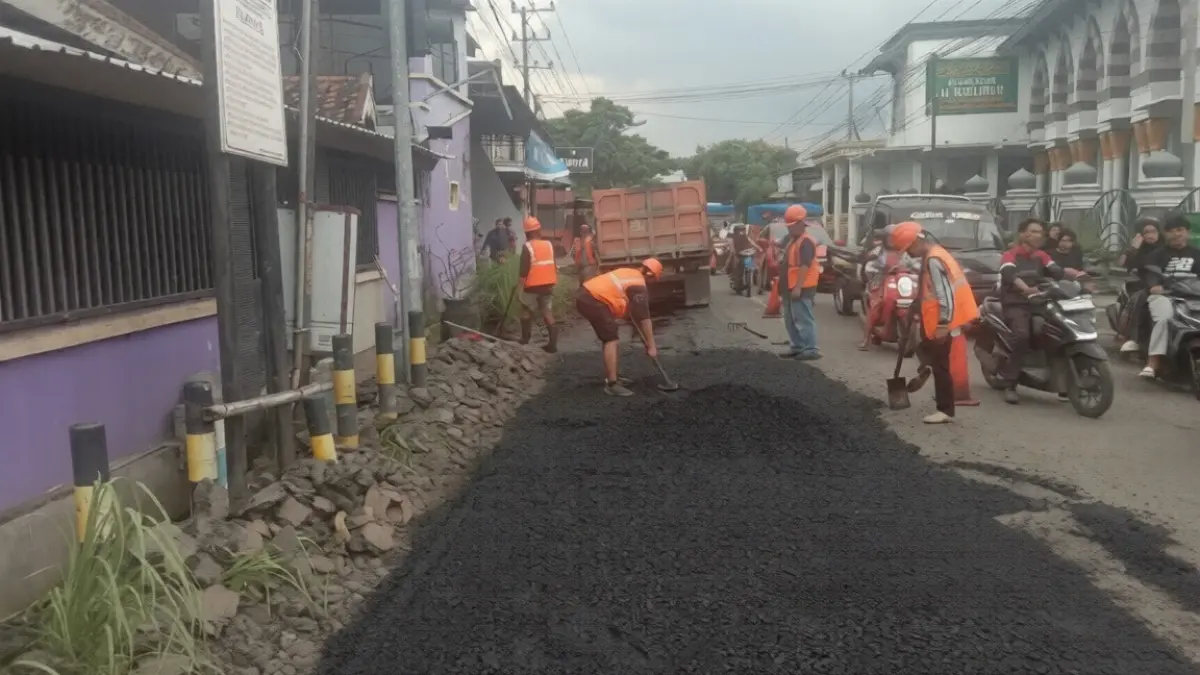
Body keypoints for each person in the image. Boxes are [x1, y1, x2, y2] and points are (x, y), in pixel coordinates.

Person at [889, 221, 979, 424]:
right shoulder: (935, 254)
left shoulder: (933, 260)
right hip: (939, 319)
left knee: (942, 366)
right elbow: (930, 289)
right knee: (925, 348)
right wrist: (916, 304)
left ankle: (945, 410)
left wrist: (943, 324)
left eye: (909, 248)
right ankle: (926, 367)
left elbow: (944, 293)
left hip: (944, 320)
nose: (909, 254)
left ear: (918, 241)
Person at [997, 218, 1066, 404]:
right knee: (1021, 336)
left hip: (1039, 301)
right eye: (1033, 231)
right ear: (1022, 234)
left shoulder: (1041, 255)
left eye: (1040, 232)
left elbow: (1057, 271)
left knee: (1059, 331)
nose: (1037, 235)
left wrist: (1079, 277)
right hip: (1015, 302)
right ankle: (1010, 383)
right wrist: (1025, 289)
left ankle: (1062, 380)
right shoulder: (1010, 255)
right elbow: (1010, 275)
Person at [575, 258, 664, 396]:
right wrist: (651, 345)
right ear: (650, 275)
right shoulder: (638, 284)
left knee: (610, 336)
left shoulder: (629, 273)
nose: (650, 284)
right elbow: (644, 319)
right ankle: (612, 384)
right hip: (592, 299)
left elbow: (631, 308)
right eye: (653, 281)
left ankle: (614, 376)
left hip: (588, 296)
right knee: (611, 339)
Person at [1138, 214, 1200, 379]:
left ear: (1187, 232)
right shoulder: (1157, 254)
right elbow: (1151, 273)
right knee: (1164, 318)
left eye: (1180, 230)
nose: (1176, 234)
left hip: (1193, 297)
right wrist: (1155, 285)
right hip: (1166, 296)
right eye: (1172, 231)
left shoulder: (1196, 254)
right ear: (1165, 234)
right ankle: (1153, 362)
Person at [858, 229, 917, 350]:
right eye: (891, 238)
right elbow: (868, 263)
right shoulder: (878, 250)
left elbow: (914, 264)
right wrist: (876, 270)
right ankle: (866, 338)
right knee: (876, 307)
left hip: (901, 279)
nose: (893, 241)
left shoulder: (905, 251)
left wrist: (917, 269)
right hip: (880, 280)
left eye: (895, 238)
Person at [779, 205, 821, 360]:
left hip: (802, 287)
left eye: (791, 226)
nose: (789, 230)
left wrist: (798, 287)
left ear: (800, 223)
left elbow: (804, 265)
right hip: (789, 286)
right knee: (790, 318)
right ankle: (797, 346)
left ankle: (811, 349)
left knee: (803, 318)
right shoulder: (793, 240)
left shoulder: (806, 242)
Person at [1116, 217, 1162, 352]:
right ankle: (1134, 338)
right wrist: (1132, 248)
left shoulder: (1165, 248)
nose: (1150, 235)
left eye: (1153, 231)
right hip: (1140, 283)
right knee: (1140, 298)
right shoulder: (1136, 249)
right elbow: (1121, 263)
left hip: (1163, 283)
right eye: (1146, 232)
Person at [517, 216, 559, 353]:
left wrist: (519, 287)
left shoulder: (527, 246)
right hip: (548, 285)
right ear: (538, 230)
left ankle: (525, 339)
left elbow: (523, 270)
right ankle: (552, 345)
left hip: (532, 286)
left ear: (526, 233)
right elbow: (552, 264)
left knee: (526, 310)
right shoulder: (548, 244)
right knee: (547, 312)